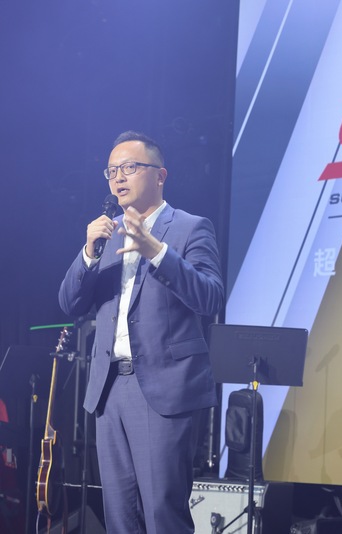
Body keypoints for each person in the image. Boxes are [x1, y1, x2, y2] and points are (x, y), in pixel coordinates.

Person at [59, 131, 224, 533]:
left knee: (163, 515)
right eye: (112, 171)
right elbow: (69, 304)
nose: (119, 177)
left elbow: (210, 298)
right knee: (120, 518)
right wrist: (88, 254)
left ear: (160, 175)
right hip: (109, 389)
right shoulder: (106, 233)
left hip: (164, 389)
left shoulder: (190, 228)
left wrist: (157, 252)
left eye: (129, 167)